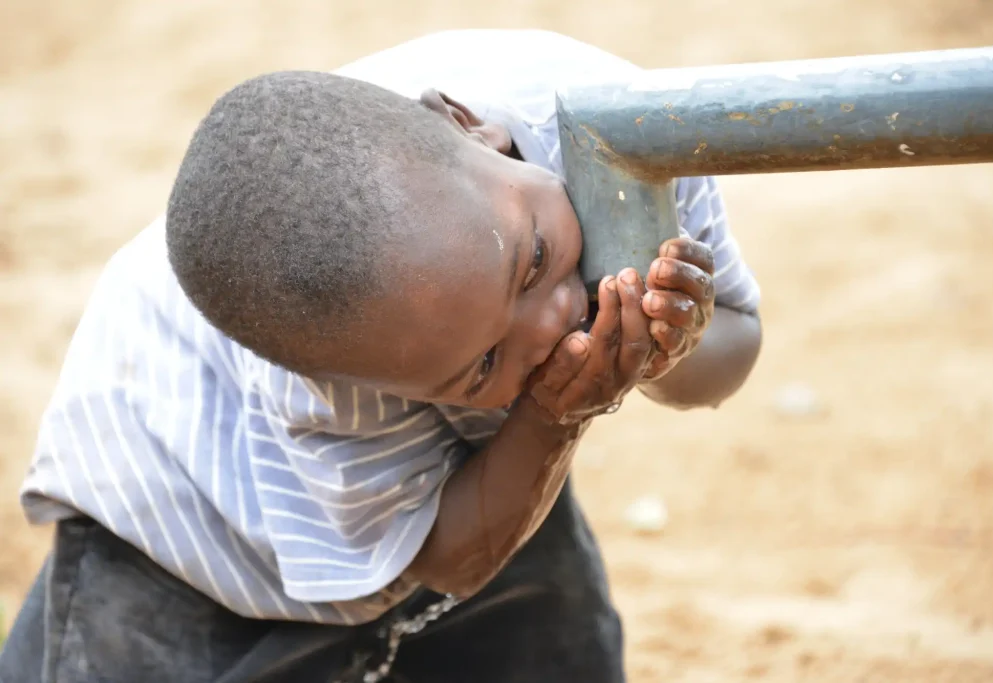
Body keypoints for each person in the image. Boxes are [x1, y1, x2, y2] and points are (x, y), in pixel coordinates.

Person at [0, 29, 762, 683]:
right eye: (485, 365)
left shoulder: (614, 140)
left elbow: (735, 342)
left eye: (532, 260)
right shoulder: (329, 383)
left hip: (478, 458)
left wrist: (669, 346)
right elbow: (448, 557)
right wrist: (557, 412)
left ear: (472, 127)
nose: (555, 321)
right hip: (184, 510)